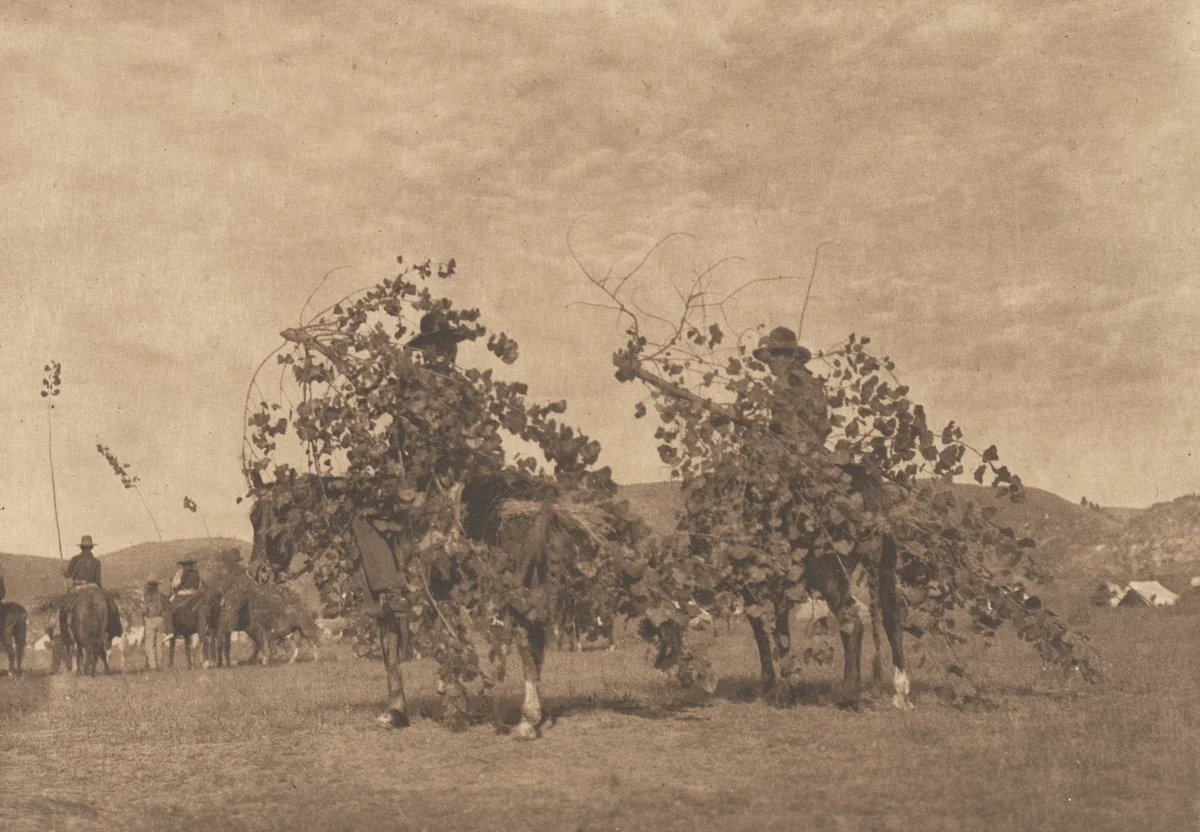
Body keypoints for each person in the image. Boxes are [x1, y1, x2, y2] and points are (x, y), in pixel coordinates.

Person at [60, 535, 122, 642]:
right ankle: (113, 632)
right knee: (112, 606)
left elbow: (68, 575)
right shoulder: (97, 562)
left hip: (78, 587)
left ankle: (65, 635)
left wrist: (62, 571)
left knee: (64, 609)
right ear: (91, 548)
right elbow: (97, 579)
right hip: (94, 586)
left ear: (81, 547)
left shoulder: (75, 559)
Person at [143, 578, 166, 671]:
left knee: (150, 644)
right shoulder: (160, 595)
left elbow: (144, 609)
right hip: (160, 619)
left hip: (150, 620)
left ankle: (153, 666)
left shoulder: (147, 596)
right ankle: (160, 664)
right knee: (159, 644)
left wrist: (143, 613)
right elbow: (162, 608)